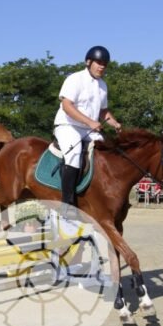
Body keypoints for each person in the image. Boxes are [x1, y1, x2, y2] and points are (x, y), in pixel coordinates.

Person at [53, 46, 121, 210]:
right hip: (68, 126)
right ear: (88, 62)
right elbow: (67, 106)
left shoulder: (103, 85)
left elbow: (103, 111)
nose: (102, 66)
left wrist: (114, 123)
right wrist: (90, 122)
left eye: (104, 64)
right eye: (98, 63)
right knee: (74, 154)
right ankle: (67, 204)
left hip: (89, 130)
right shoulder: (75, 79)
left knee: (108, 151)